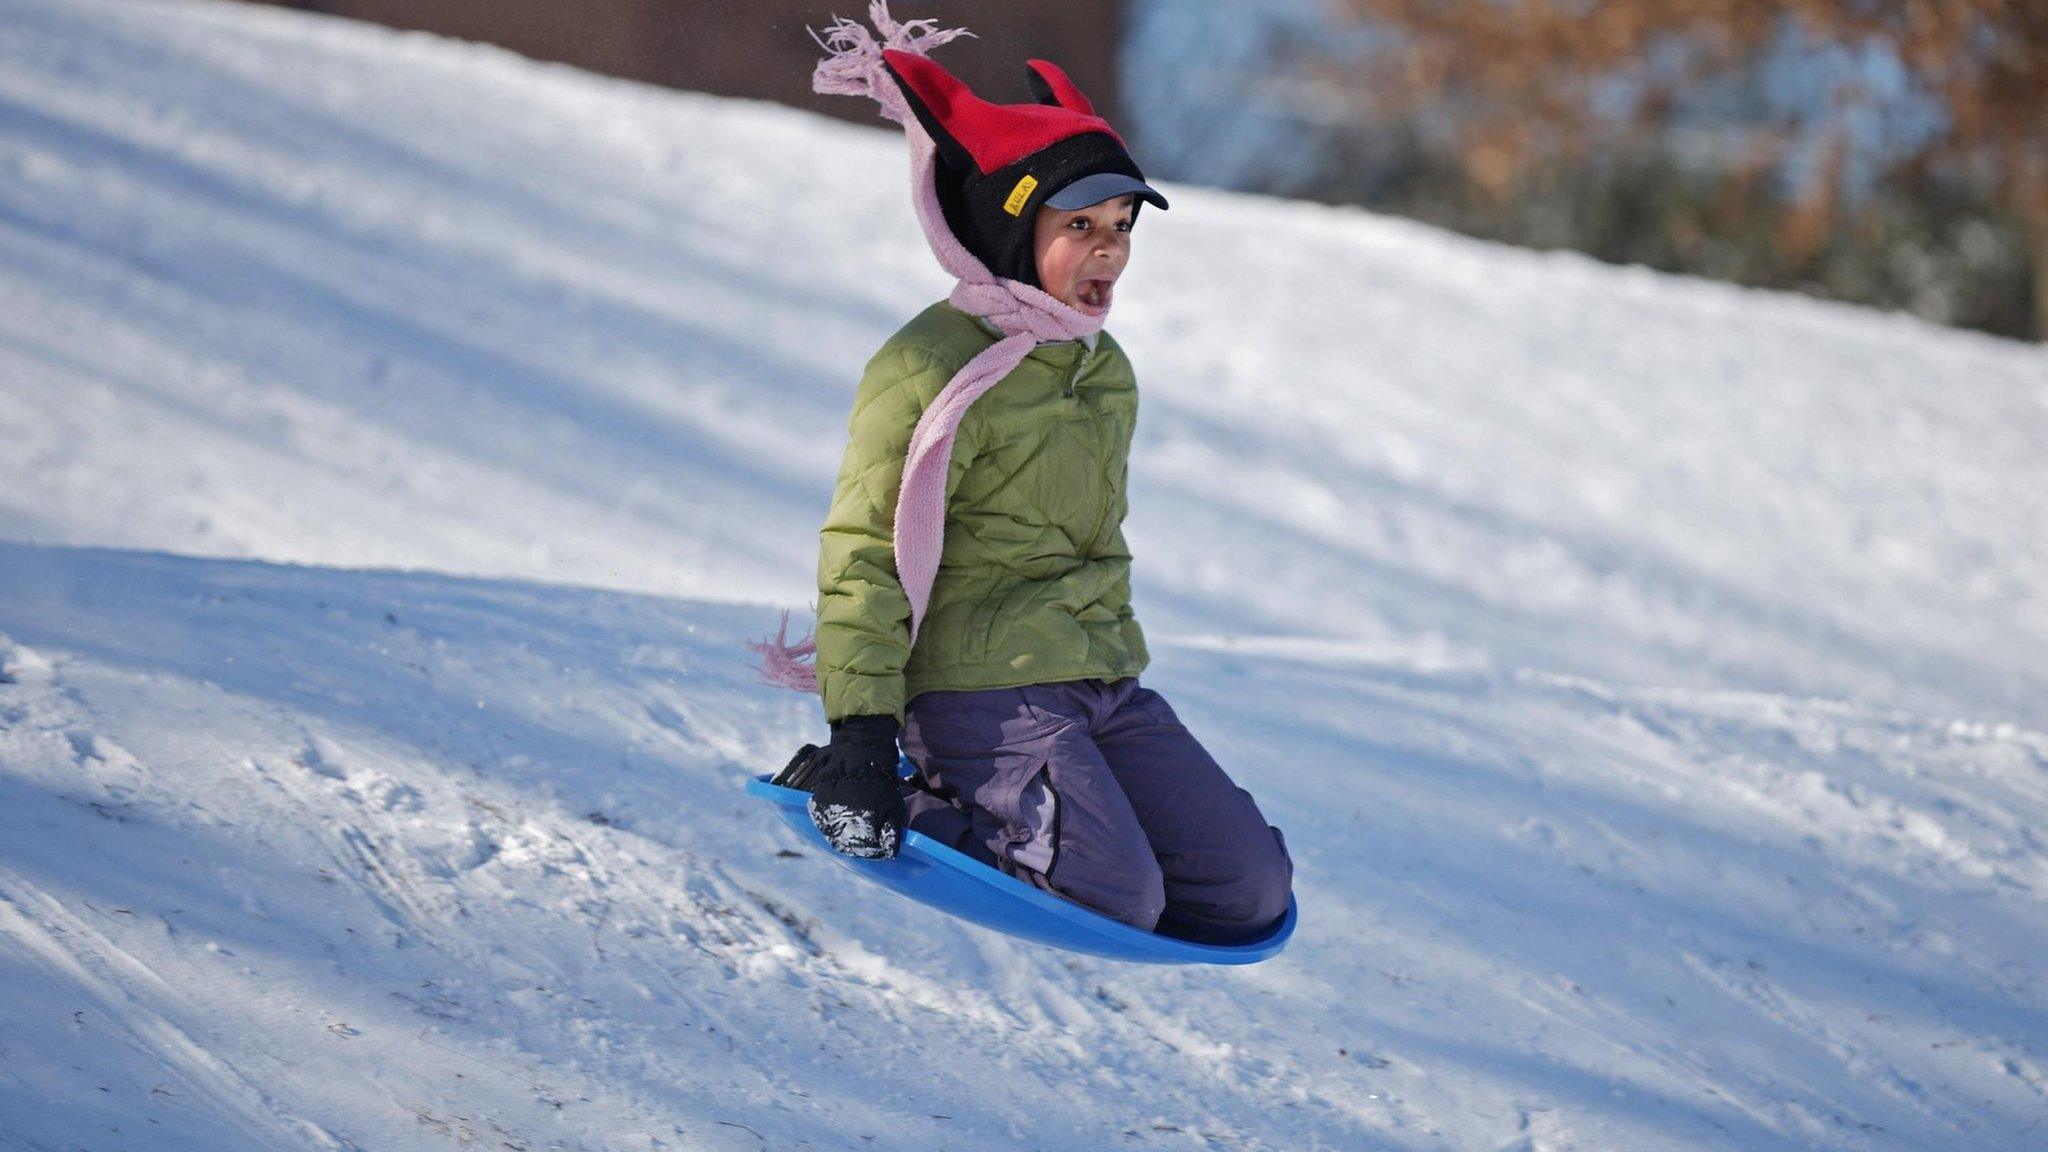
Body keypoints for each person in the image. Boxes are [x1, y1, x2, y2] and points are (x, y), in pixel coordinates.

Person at [759, 7, 1292, 944]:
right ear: (1009, 232)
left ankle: (1055, 815)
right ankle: (911, 797)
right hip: (977, 690)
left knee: (1244, 892)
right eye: (1079, 224)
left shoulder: (1099, 366)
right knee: (1110, 896)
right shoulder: (929, 366)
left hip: (1100, 679)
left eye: (1122, 226)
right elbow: (864, 553)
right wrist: (859, 739)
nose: (1110, 251)